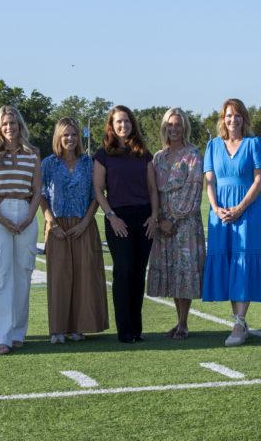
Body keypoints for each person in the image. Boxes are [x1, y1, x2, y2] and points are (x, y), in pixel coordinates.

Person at [203, 98, 261, 346]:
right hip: (221, 213)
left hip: (249, 213)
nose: (232, 120)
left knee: (244, 263)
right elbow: (209, 181)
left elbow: (259, 180)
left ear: (244, 118)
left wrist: (240, 207)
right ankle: (239, 320)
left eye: (237, 115)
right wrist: (216, 208)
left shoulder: (254, 144)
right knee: (231, 264)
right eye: (228, 116)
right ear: (222, 119)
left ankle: (239, 322)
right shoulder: (212, 145)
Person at [41, 117, 109, 344]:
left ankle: (79, 327)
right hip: (57, 226)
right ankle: (58, 329)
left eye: (73, 135)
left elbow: (96, 196)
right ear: (58, 137)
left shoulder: (88, 163)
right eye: (65, 135)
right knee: (59, 278)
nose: (70, 139)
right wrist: (51, 223)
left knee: (84, 277)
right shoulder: (49, 163)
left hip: (83, 225)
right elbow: (41, 195)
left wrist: (85, 223)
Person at [93, 105, 155, 343]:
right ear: (111, 125)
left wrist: (154, 215)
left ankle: (137, 330)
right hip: (118, 217)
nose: (123, 126)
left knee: (139, 273)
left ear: (132, 124)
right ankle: (124, 330)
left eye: (127, 121)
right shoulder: (103, 154)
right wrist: (111, 216)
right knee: (123, 271)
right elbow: (98, 189)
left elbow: (152, 189)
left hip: (144, 218)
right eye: (118, 122)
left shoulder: (143, 152)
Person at [0, 105, 42, 354]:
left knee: (23, 276)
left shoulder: (33, 153)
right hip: (1, 213)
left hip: (26, 212)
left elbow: (37, 189)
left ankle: (18, 332)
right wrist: (1, 217)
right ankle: (1, 337)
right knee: (0, 277)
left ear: (20, 126)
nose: (9, 128)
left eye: (13, 123)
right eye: (5, 123)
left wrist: (29, 216)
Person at [147, 108, 205, 340]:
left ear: (185, 127)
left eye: (178, 124)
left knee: (185, 270)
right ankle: (178, 319)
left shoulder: (193, 155)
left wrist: (172, 218)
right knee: (172, 271)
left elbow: (194, 189)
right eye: (170, 124)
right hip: (163, 223)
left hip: (185, 223)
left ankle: (183, 323)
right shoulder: (158, 157)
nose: (174, 128)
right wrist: (160, 219)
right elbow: (153, 191)